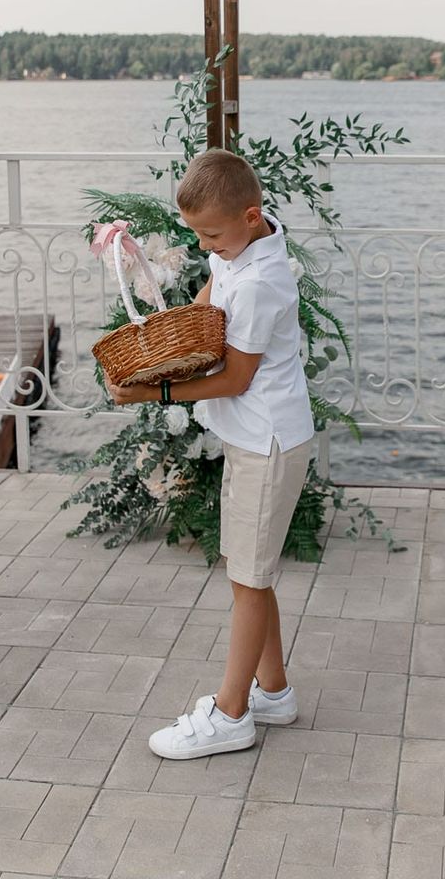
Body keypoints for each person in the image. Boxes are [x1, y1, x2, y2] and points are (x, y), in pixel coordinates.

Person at [108, 149, 315, 759]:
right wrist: (161, 339)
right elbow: (204, 306)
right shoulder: (243, 247)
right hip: (254, 438)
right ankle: (272, 691)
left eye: (212, 235)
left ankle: (231, 714)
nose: (204, 247)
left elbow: (234, 379)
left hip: (267, 440)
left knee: (248, 580)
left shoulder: (258, 282)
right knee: (251, 570)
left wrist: (157, 388)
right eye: (195, 234)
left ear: (252, 216)